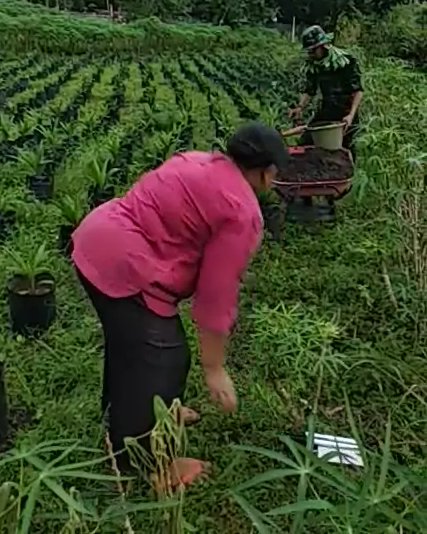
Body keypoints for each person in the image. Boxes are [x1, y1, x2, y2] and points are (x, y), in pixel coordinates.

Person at [71, 122, 286, 486]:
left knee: (130, 345)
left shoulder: (196, 160)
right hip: (126, 268)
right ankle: (148, 462)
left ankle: (131, 413)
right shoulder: (242, 213)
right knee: (163, 359)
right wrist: (214, 368)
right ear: (266, 173)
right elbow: (215, 294)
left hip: (95, 240)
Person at [289, 25, 363, 159]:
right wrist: (299, 107)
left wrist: (351, 115)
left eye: (313, 50)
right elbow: (310, 90)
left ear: (323, 46)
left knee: (344, 150)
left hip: (346, 109)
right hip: (327, 108)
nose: (311, 54)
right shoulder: (314, 65)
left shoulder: (347, 62)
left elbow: (357, 90)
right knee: (306, 141)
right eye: (309, 51)